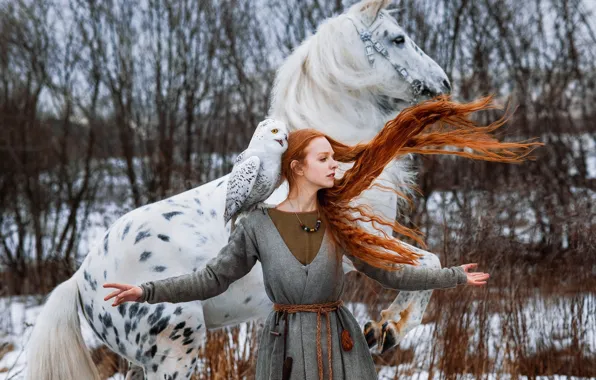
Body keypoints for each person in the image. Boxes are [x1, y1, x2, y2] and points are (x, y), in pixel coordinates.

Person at [104, 96, 539, 380]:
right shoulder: (257, 225)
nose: (335, 165)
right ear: (296, 166)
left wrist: (450, 277)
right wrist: (147, 290)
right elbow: (210, 280)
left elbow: (388, 274)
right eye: (325, 158)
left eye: (334, 157)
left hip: (341, 347)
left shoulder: (339, 224)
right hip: (283, 352)